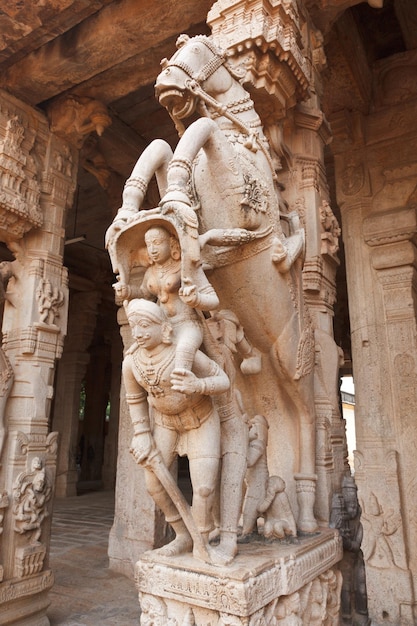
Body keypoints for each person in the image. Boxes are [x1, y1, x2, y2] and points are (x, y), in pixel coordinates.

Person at [122, 298, 229, 559]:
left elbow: (223, 379)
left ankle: (201, 539)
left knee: (203, 488)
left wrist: (198, 386)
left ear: (164, 328)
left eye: (145, 326)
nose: (139, 333)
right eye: (134, 327)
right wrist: (141, 434)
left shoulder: (183, 352)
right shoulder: (131, 363)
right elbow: (134, 399)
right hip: (165, 423)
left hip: (201, 419)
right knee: (154, 485)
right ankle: (183, 535)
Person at [114, 225, 219, 372]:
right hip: (160, 326)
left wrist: (196, 299)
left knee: (184, 350)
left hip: (186, 324)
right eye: (149, 244)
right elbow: (145, 294)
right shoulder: (150, 272)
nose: (153, 249)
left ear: (171, 244)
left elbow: (214, 300)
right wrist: (128, 291)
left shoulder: (187, 267)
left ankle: (186, 383)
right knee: (132, 360)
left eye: (157, 243)